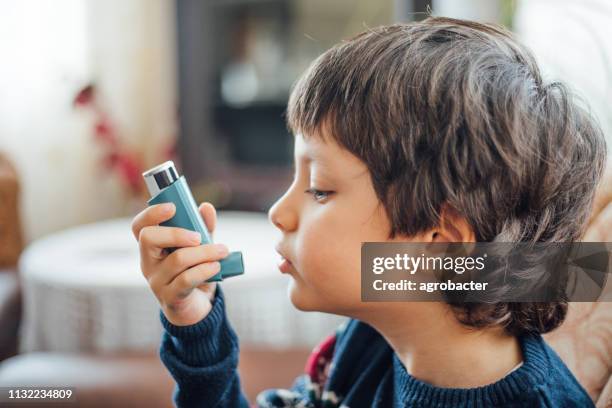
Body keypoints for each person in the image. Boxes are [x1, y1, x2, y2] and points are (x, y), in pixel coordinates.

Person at [131, 17, 607, 407]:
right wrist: (195, 322)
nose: (279, 212)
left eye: (318, 190)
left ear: (441, 243)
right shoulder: (367, 343)